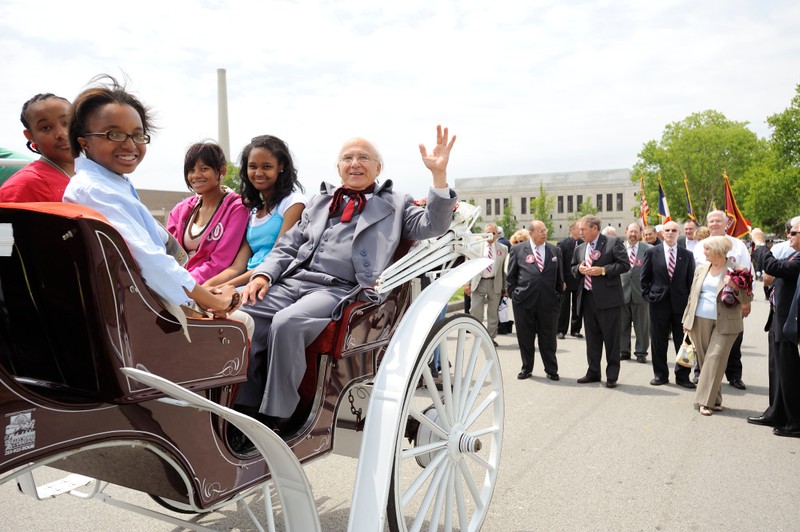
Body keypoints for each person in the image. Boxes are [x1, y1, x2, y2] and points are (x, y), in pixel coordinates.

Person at [235, 125, 458, 422]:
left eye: (363, 157)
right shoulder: (319, 202)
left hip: (338, 289)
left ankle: (278, 415)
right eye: (348, 158)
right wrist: (262, 276)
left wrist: (438, 177)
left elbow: (434, 225)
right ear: (338, 167)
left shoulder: (395, 202)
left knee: (287, 322)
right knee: (241, 309)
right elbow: (288, 246)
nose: (355, 163)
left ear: (378, 167)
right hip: (294, 281)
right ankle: (242, 406)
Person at [62, 76, 242, 322]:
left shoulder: (108, 185)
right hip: (142, 310)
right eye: (114, 135)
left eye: (137, 135)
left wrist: (198, 291)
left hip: (152, 295)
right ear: (85, 142)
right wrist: (210, 300)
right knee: (244, 322)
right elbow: (151, 261)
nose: (130, 145)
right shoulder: (96, 192)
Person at [203, 135, 306, 288]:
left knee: (214, 306)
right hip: (247, 280)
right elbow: (237, 267)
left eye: (266, 166)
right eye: (253, 166)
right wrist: (203, 288)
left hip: (273, 281)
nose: (258, 173)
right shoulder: (253, 212)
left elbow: (277, 260)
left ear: (281, 167)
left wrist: (223, 288)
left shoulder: (293, 204)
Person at [682, 236, 752, 415]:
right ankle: (716, 399)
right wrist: (687, 320)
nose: (703, 252)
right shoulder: (702, 268)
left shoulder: (738, 270)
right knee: (707, 361)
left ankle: (704, 401)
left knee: (714, 358)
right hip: (699, 319)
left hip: (726, 323)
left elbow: (747, 299)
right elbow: (693, 295)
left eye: (707, 249)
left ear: (719, 251)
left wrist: (736, 287)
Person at [166, 141, 249, 284]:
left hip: (203, 286)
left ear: (221, 171)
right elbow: (167, 252)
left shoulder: (237, 209)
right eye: (191, 170)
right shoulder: (180, 210)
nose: (196, 175)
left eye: (204, 169)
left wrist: (184, 282)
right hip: (174, 280)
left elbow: (220, 262)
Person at [749, 225, 800, 437]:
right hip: (778, 317)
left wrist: (760, 243)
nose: (788, 235)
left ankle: (796, 421)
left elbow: (774, 267)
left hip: (790, 321)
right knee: (777, 370)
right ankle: (777, 412)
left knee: (789, 372)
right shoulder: (795, 254)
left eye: (794, 232)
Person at [692, 210, 752, 390]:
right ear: (707, 224)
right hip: (705, 304)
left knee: (734, 342)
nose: (715, 224)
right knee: (702, 343)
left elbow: (747, 273)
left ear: (726, 224)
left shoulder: (737, 245)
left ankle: (734, 375)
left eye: (718, 221)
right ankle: (700, 373)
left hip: (730, 303)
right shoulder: (700, 246)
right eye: (711, 221)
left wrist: (745, 302)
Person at [572, 215, 630, 388]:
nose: (580, 232)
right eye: (579, 229)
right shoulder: (580, 248)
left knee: (611, 339)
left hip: (608, 300)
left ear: (594, 228)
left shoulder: (612, 243)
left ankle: (612, 375)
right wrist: (579, 270)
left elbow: (624, 265)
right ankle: (593, 372)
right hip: (588, 298)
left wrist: (603, 270)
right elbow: (573, 267)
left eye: (583, 229)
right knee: (592, 338)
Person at [641, 220, 696, 387]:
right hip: (658, 304)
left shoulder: (687, 255)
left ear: (678, 233)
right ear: (662, 234)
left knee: (684, 343)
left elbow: (691, 281)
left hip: (681, 305)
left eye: (674, 230)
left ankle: (683, 377)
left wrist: (690, 305)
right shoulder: (652, 253)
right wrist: (649, 296)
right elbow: (644, 279)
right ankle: (660, 375)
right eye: (667, 230)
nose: (670, 233)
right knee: (658, 341)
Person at [507, 220, 563, 380]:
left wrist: (558, 296)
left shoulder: (554, 250)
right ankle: (527, 368)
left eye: (545, 230)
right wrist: (514, 294)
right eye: (541, 231)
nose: (544, 233)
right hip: (524, 301)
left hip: (548, 302)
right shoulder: (518, 250)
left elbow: (560, 277)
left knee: (549, 338)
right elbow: (511, 276)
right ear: (531, 233)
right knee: (525, 337)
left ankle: (551, 369)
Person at [0, 93, 74, 202]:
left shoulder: (98, 170)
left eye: (67, 123)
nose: (61, 134)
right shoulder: (24, 185)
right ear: (30, 136)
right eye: (46, 128)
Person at [464, 223, 508, 347]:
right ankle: (479, 335)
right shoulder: (476, 247)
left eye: (493, 233)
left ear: (497, 234)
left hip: (495, 283)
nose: (490, 235)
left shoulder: (503, 249)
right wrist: (467, 283)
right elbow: (469, 266)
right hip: (479, 282)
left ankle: (490, 338)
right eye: (488, 232)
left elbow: (503, 270)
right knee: (475, 311)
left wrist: (504, 287)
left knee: (493, 313)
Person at [620, 222, 651, 363]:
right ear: (626, 232)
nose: (633, 234)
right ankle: (623, 351)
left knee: (642, 326)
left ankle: (641, 352)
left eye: (636, 232)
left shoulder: (648, 250)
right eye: (631, 231)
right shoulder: (618, 248)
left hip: (641, 294)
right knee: (621, 325)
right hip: (621, 293)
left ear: (640, 233)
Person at [557, 221, 583, 339]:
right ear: (572, 229)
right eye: (579, 228)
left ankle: (575, 329)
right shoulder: (562, 244)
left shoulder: (584, 244)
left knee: (578, 306)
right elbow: (560, 264)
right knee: (564, 306)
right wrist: (562, 280)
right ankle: (561, 330)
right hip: (566, 280)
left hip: (579, 280)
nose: (581, 230)